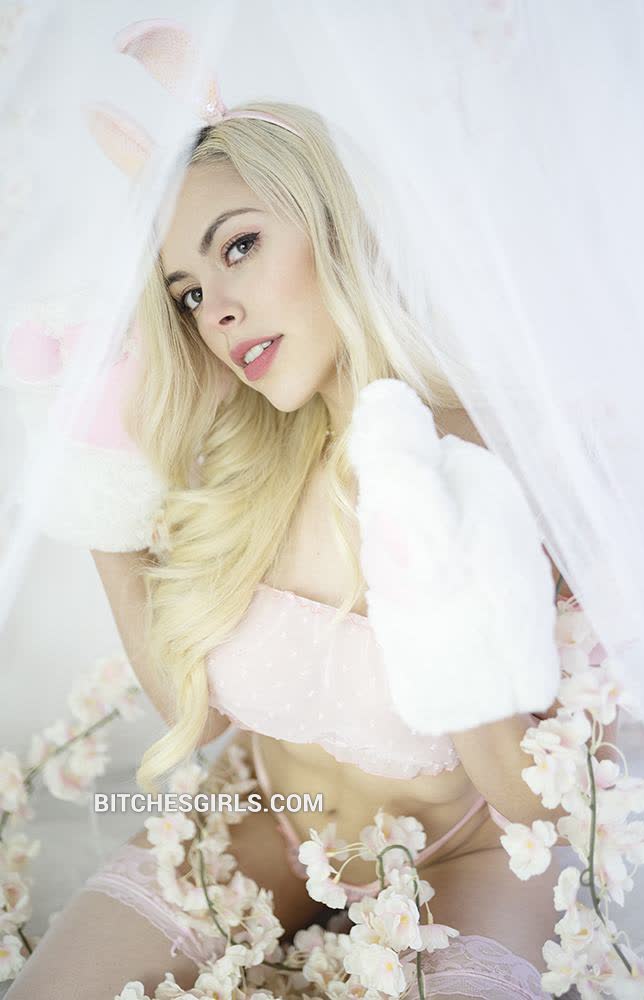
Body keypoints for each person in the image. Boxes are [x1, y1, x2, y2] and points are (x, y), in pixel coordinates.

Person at [4, 98, 579, 1000]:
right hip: (264, 819)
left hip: (473, 853)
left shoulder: (480, 466)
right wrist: (102, 496)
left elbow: (534, 802)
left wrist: (442, 617)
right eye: (189, 295)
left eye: (239, 246)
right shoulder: (243, 463)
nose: (219, 313)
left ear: (334, 222)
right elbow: (196, 720)